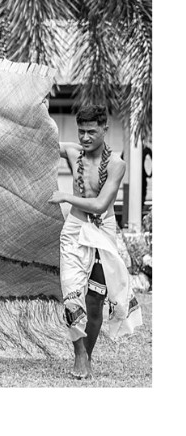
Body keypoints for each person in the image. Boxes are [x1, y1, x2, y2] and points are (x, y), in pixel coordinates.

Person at [47, 105, 143, 379]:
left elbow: (101, 205)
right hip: (75, 229)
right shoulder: (74, 153)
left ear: (104, 129)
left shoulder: (117, 165)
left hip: (103, 230)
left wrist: (65, 196)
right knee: (71, 293)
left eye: (91, 131)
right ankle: (79, 355)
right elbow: (44, 140)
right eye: (81, 131)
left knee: (94, 301)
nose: (85, 137)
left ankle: (86, 355)